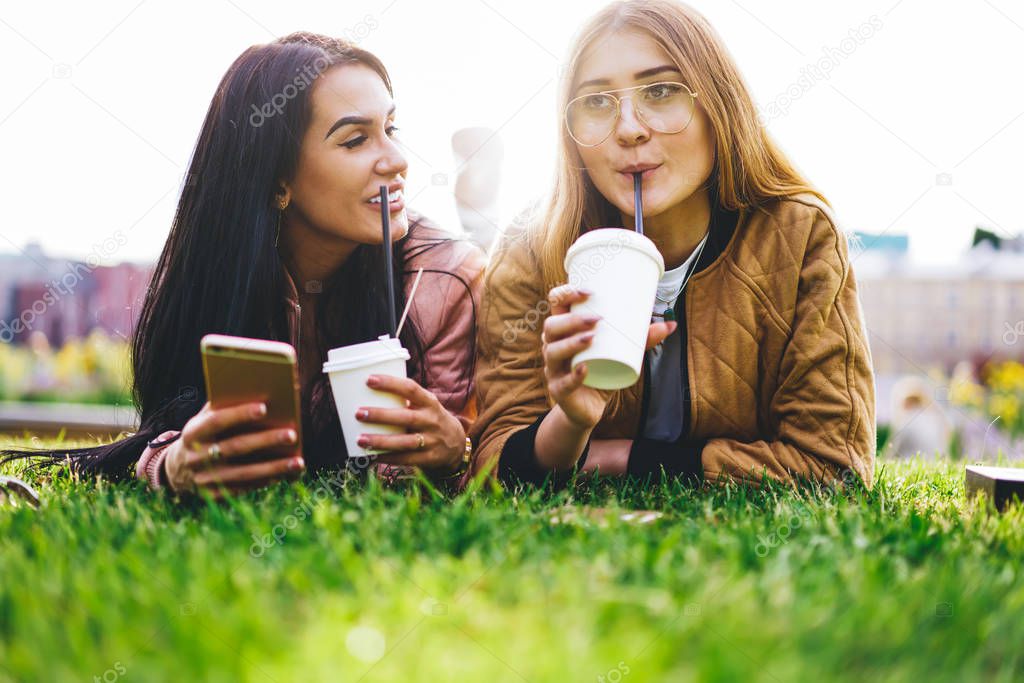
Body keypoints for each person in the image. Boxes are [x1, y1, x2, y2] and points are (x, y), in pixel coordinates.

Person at [2, 33, 484, 497]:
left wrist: (452, 452)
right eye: (355, 140)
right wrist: (171, 464)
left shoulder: (442, 277)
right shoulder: (218, 269)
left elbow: (455, 462)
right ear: (277, 181)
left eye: (391, 129)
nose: (397, 159)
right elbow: (174, 427)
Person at [470, 0, 876, 489]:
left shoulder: (798, 235)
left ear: (717, 105)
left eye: (661, 91)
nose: (629, 128)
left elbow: (834, 468)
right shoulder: (531, 250)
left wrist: (622, 458)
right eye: (597, 101)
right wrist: (570, 424)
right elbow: (490, 469)